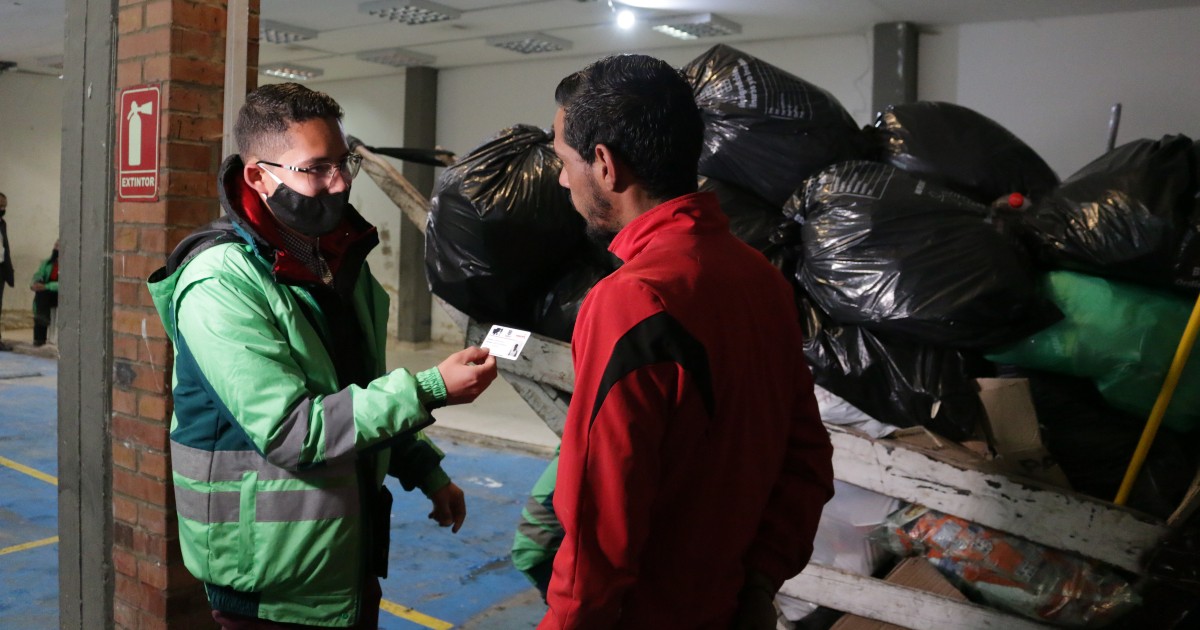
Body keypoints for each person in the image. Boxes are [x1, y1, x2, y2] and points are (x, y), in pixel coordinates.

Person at [147, 83, 498, 629]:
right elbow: (290, 430)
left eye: (344, 161)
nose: (340, 182)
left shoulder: (336, 261)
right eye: (316, 168)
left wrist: (422, 468)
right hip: (270, 578)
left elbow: (356, 390)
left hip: (342, 555)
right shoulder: (219, 281)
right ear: (259, 176)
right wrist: (428, 388)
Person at [539, 54, 835, 629]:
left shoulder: (632, 300)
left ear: (604, 164)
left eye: (562, 159)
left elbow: (602, 516)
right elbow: (807, 458)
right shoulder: (760, 278)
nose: (559, 178)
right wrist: (757, 584)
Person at [30, 239, 59, 347]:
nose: (56, 248)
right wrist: (36, 283)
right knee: (41, 294)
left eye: (59, 246)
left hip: (60, 295)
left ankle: (41, 330)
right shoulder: (46, 263)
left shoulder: (71, 265)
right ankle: (39, 339)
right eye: (55, 245)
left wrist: (46, 286)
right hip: (46, 293)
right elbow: (38, 274)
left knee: (43, 293)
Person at [0, 192, 13, 351]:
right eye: (0, 206)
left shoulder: (3, 223)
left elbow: (5, 247)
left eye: (4, 206)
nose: (3, 208)